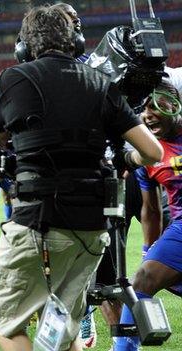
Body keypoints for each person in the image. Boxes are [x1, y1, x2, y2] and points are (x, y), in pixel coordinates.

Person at [0, 6, 162, 351]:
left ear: (25, 46)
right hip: (92, 232)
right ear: (75, 41)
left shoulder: (13, 78)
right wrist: (127, 157)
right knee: (64, 327)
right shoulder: (102, 83)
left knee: (5, 319)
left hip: (37, 222)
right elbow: (152, 152)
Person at [114, 81, 182, 351]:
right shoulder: (149, 153)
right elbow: (151, 210)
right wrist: (147, 250)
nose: (148, 114)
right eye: (144, 108)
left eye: (156, 105)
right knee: (140, 281)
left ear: (174, 106)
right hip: (180, 227)